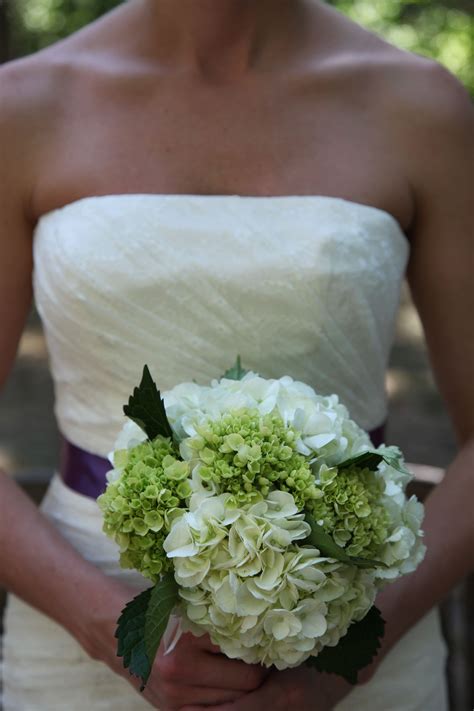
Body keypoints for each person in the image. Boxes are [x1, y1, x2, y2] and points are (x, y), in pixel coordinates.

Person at [0, 0, 472, 709]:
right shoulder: (23, 105)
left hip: (360, 647)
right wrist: (115, 631)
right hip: (78, 642)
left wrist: (354, 649)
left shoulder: (421, 106)